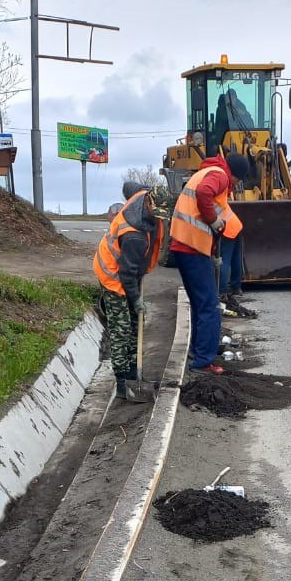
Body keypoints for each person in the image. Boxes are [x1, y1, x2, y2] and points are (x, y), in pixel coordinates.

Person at [170, 153, 249, 373]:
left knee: (199, 304)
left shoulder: (207, 171)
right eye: (238, 181)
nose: (235, 185)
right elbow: (205, 193)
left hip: (183, 245)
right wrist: (214, 222)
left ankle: (198, 352)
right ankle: (203, 362)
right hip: (192, 246)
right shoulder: (220, 175)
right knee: (210, 307)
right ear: (235, 175)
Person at [93, 185, 165, 401]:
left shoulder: (144, 195)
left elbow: (128, 186)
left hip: (129, 270)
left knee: (136, 324)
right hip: (114, 276)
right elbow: (127, 274)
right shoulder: (134, 236)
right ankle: (123, 381)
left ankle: (135, 372)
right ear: (149, 204)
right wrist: (136, 300)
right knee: (122, 329)